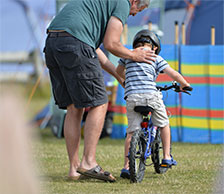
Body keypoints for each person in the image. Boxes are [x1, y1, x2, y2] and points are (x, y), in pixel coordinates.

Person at [44, 0, 155, 182]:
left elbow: (95, 51)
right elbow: (111, 43)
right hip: (75, 43)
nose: (134, 14)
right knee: (100, 102)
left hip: (53, 42)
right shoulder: (123, 3)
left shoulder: (97, 6)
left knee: (74, 107)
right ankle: (88, 162)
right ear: (134, 0)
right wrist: (134, 55)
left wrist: (119, 77)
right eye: (138, 9)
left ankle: (74, 170)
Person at [116, 29, 191, 179]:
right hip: (151, 95)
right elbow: (173, 74)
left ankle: (126, 167)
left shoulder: (128, 55)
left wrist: (129, 81)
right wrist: (185, 84)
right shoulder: (155, 57)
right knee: (164, 124)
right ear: (155, 47)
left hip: (131, 96)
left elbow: (118, 71)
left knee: (131, 132)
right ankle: (167, 156)